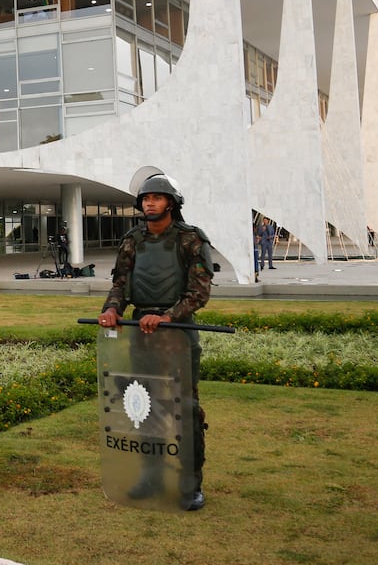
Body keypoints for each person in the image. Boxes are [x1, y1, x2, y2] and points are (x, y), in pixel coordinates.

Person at [97, 174, 214, 512]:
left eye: (156, 197)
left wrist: (168, 316)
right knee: (144, 407)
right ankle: (151, 477)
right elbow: (120, 281)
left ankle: (190, 485)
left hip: (176, 335)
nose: (149, 202)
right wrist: (112, 308)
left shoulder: (190, 239)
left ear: (171, 203)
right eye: (145, 198)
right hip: (141, 335)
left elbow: (199, 292)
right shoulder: (133, 240)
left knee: (185, 410)